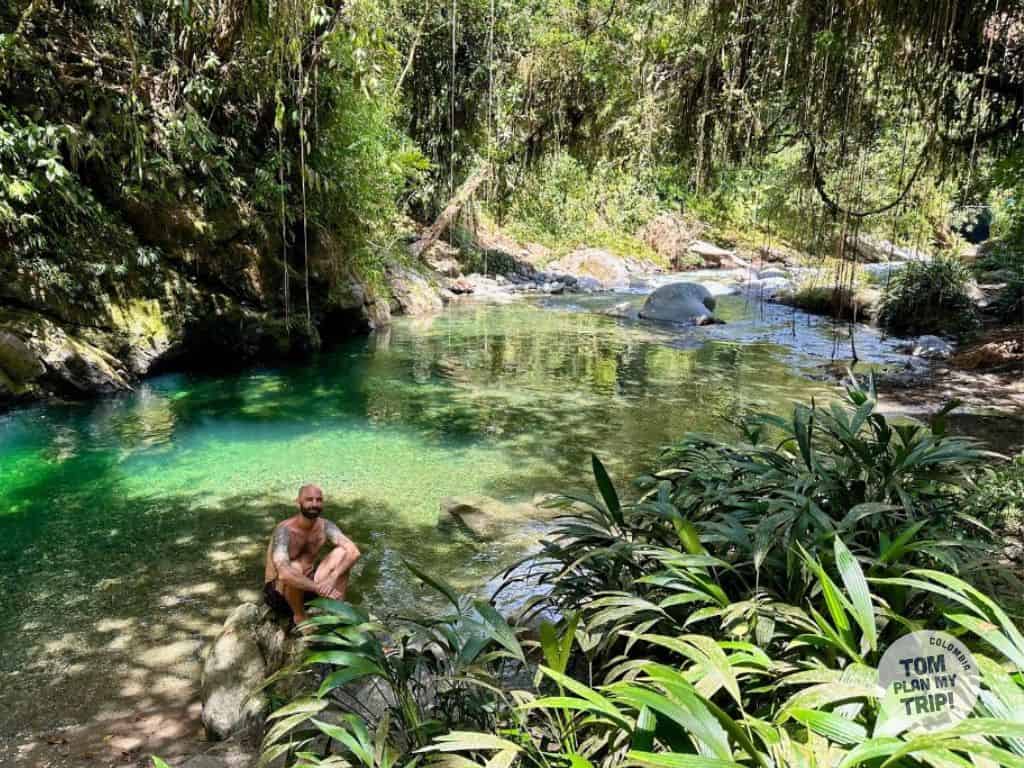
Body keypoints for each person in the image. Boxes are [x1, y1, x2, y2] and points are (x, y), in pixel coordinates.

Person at [263, 483, 361, 628]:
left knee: (343, 553)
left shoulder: (325, 526)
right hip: (280, 594)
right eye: (309, 499)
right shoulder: (284, 530)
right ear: (298, 502)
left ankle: (336, 609)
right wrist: (318, 588)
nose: (314, 504)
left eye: (319, 499)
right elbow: (283, 574)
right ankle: (300, 617)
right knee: (295, 567)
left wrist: (332, 578)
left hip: (308, 586)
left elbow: (354, 551)